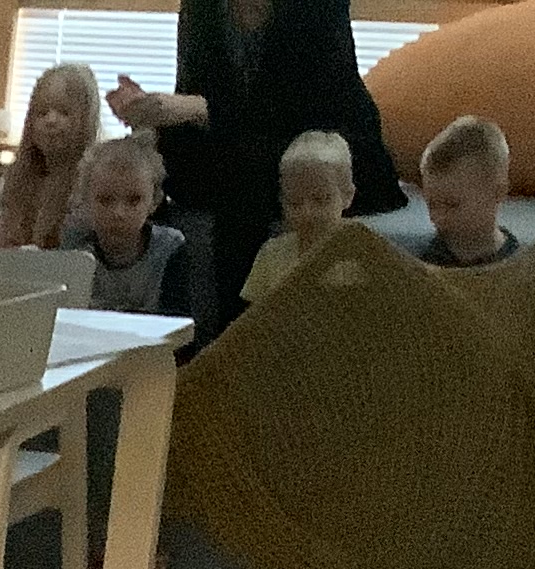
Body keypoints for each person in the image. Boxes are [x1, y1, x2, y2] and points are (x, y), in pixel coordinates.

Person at [109, 0, 403, 334]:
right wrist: (151, 111)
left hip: (318, 139)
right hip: (231, 138)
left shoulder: (318, 7)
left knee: (250, 166)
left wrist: (202, 108)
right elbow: (192, 94)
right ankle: (158, 322)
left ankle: (233, 335)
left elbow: (302, 108)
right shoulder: (200, 7)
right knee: (164, 154)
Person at [70, 135, 190, 317]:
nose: (119, 213)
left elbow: (180, 322)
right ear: (85, 200)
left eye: (134, 200)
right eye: (105, 200)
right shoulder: (75, 251)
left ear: (154, 201)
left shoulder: (170, 249)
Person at [0, 63, 99, 252]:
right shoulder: (12, 180)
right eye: (42, 113)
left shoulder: (90, 185)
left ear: (86, 120)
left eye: (64, 112)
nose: (51, 120)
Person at [240, 128, 352, 306]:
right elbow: (255, 316)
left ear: (347, 195)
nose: (307, 212)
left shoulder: (363, 252)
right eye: (295, 203)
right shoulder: (271, 255)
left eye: (320, 200)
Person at [416, 114, 520, 268]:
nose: (437, 217)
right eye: (431, 205)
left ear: (497, 192)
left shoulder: (518, 261)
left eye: (451, 205)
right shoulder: (427, 262)